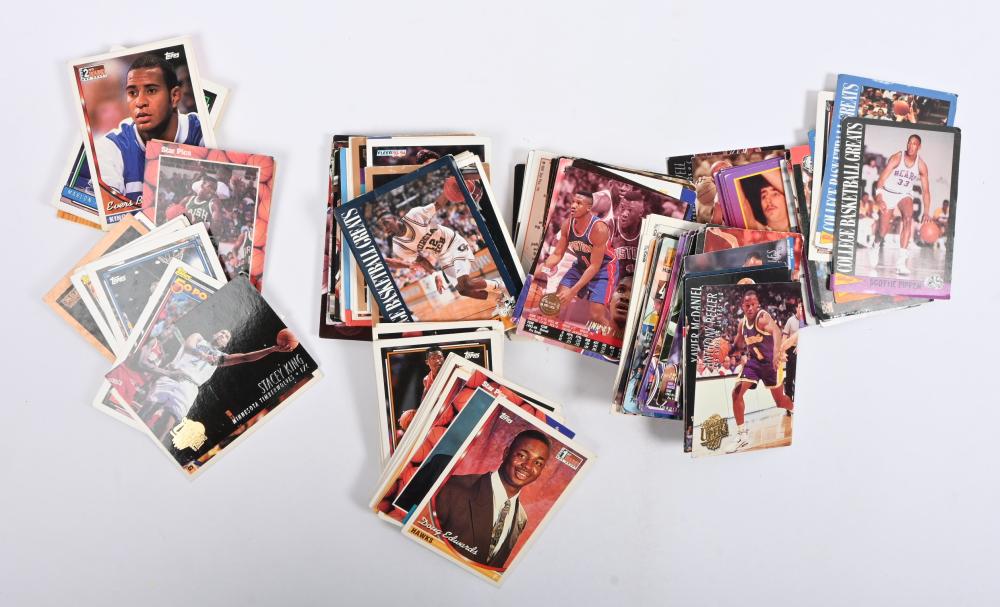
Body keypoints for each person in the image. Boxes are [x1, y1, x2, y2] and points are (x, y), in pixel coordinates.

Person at [138, 328, 294, 443]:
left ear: (225, 344)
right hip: (173, 375)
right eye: (222, 332)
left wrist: (272, 349)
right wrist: (204, 355)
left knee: (166, 425)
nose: (223, 335)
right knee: (148, 407)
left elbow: (245, 358)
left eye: (226, 336)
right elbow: (189, 346)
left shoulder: (221, 358)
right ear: (214, 334)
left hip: (190, 387)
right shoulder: (198, 337)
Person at [431, 429, 551, 568]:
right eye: (522, 455)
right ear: (506, 453)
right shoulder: (452, 488)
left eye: (538, 463)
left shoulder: (521, 518)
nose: (528, 466)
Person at [94, 54, 205, 202]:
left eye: (151, 90)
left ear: (174, 96)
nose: (140, 102)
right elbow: (110, 213)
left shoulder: (203, 130)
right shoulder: (111, 146)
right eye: (132, 93)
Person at [378, 183, 505, 301]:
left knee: (465, 283)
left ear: (394, 218)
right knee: (463, 291)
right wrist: (436, 275)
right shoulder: (399, 247)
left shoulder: (414, 215)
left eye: (386, 223)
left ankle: (500, 285)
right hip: (442, 256)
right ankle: (499, 299)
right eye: (382, 227)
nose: (385, 228)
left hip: (454, 243)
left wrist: (451, 187)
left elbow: (438, 204)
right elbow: (421, 260)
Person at [533, 192, 616, 328]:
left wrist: (572, 292)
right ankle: (543, 335)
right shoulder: (568, 224)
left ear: (589, 208)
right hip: (581, 266)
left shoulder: (599, 229)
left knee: (596, 317)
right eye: (573, 202)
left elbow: (595, 266)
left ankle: (613, 337)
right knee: (554, 304)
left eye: (579, 203)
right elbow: (557, 254)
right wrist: (536, 272)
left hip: (602, 270)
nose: (573, 205)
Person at [727, 290, 794, 453]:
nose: (750, 308)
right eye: (747, 305)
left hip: (771, 364)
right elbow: (738, 346)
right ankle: (742, 436)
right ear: (742, 306)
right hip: (754, 364)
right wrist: (726, 351)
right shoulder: (742, 324)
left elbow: (776, 331)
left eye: (753, 304)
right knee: (736, 393)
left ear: (757, 305)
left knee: (780, 402)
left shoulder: (762, 317)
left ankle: (797, 409)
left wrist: (776, 353)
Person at [873, 134, 932, 275]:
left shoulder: (921, 165)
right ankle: (876, 244)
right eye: (909, 143)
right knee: (883, 231)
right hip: (888, 192)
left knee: (908, 219)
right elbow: (881, 180)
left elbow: (926, 191)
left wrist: (926, 211)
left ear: (919, 147)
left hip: (905, 194)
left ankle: (901, 263)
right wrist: (880, 198)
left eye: (914, 144)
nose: (911, 146)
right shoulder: (897, 158)